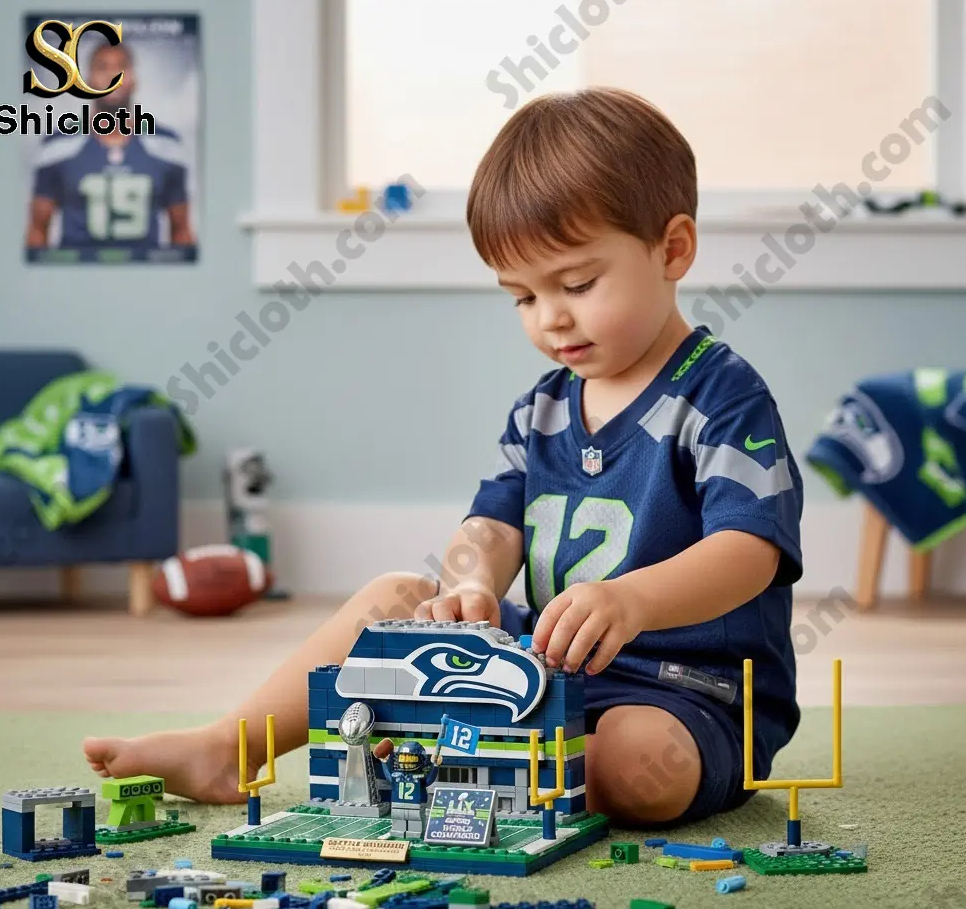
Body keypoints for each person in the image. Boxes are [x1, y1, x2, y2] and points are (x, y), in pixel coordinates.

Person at [84, 87, 803, 827]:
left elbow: (749, 551)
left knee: (635, 768)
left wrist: (632, 601)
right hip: (547, 665)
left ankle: (486, 763)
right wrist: (472, 585)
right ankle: (230, 747)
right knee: (394, 596)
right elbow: (493, 525)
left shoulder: (722, 396)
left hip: (688, 691)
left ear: (673, 249)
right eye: (522, 297)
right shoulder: (543, 407)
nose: (551, 318)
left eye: (578, 284)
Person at [25, 41, 194, 255]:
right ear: (87, 80)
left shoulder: (166, 145)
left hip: (145, 271)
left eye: (121, 67)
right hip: (76, 271)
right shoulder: (58, 145)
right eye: (102, 67)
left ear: (134, 79)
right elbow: (38, 231)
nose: (112, 76)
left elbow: (181, 231)